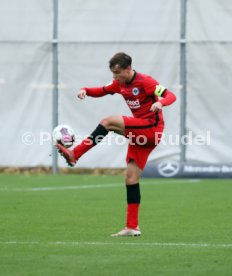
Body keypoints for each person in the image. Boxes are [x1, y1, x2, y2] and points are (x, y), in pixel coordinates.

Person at [57, 52, 176, 237]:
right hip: (140, 135)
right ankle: (132, 227)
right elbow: (101, 90)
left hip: (152, 129)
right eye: (113, 73)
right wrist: (85, 90)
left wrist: (161, 103)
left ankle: (76, 154)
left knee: (107, 122)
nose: (115, 77)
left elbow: (171, 95)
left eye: (117, 73)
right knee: (130, 178)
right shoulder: (119, 84)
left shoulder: (146, 81)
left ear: (128, 69)